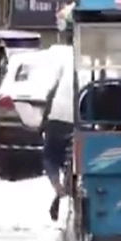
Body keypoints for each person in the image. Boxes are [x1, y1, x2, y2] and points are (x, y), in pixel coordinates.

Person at [41, 50, 75, 221]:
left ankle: (58, 188)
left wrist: (43, 122)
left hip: (57, 117)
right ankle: (67, 187)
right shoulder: (101, 62)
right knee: (79, 159)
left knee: (50, 157)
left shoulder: (65, 61)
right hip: (81, 120)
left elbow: (50, 94)